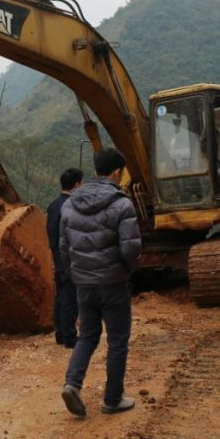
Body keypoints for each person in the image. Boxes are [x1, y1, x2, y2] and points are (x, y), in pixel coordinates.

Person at [58, 148, 142, 417]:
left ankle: (72, 384)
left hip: (84, 284)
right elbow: (130, 249)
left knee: (88, 336)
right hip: (113, 283)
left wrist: (76, 275)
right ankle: (112, 399)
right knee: (117, 340)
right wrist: (126, 272)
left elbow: (63, 247)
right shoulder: (121, 204)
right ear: (117, 172)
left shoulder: (70, 204)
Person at [47, 167, 84, 348]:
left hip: (56, 256)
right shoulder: (71, 206)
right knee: (71, 298)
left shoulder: (53, 205)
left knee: (61, 296)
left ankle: (60, 334)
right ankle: (70, 337)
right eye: (81, 183)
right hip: (69, 257)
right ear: (77, 184)